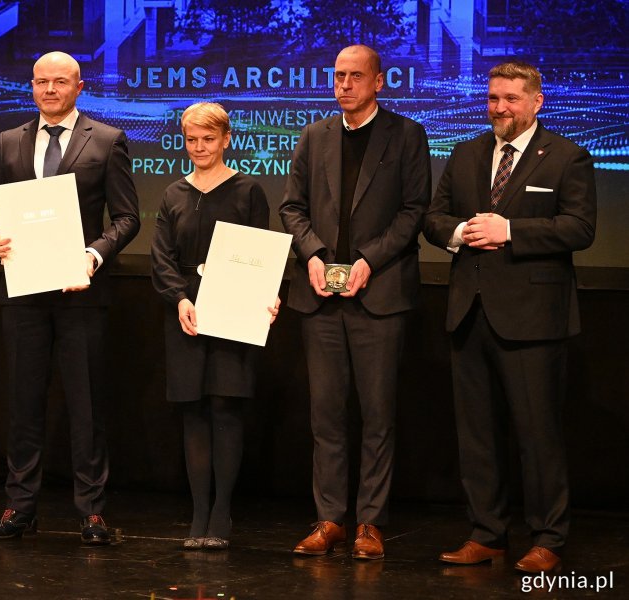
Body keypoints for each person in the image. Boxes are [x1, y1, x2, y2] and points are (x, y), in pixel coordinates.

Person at [424, 60, 596, 574]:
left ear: (536, 102)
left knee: (537, 434)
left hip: (534, 318)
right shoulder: (467, 152)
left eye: (511, 99)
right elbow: (435, 218)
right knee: (476, 434)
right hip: (469, 312)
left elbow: (579, 228)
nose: (499, 107)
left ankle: (548, 537)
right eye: (494, 97)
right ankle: (487, 533)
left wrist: (511, 231)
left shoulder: (568, 156)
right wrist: (458, 234)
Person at [0, 51, 140, 545]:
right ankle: (19, 507)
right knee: (23, 404)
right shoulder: (9, 141)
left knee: (86, 405)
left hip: (80, 293)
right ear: (31, 86)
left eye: (60, 82)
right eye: (41, 82)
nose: (50, 90)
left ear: (79, 86)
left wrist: (93, 256)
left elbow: (127, 218)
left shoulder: (108, 139)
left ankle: (91, 512)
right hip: (23, 292)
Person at [279, 44, 430, 559]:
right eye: (338, 76)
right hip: (319, 295)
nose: (344, 85)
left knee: (378, 414)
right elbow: (292, 207)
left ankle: (370, 522)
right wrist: (314, 256)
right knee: (326, 415)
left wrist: (369, 259)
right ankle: (329, 520)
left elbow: (413, 212)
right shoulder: (313, 135)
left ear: (378, 82)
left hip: (379, 293)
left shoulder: (406, 135)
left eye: (355, 76)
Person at [151, 102, 279, 551]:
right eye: (192, 139)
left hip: (234, 307)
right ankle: (199, 511)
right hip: (186, 311)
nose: (200, 147)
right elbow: (162, 259)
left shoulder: (248, 191)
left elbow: (261, 253)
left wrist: (269, 291)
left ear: (227, 139)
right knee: (193, 411)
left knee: (225, 408)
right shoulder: (172, 194)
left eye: (209, 138)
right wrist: (181, 298)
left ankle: (222, 511)